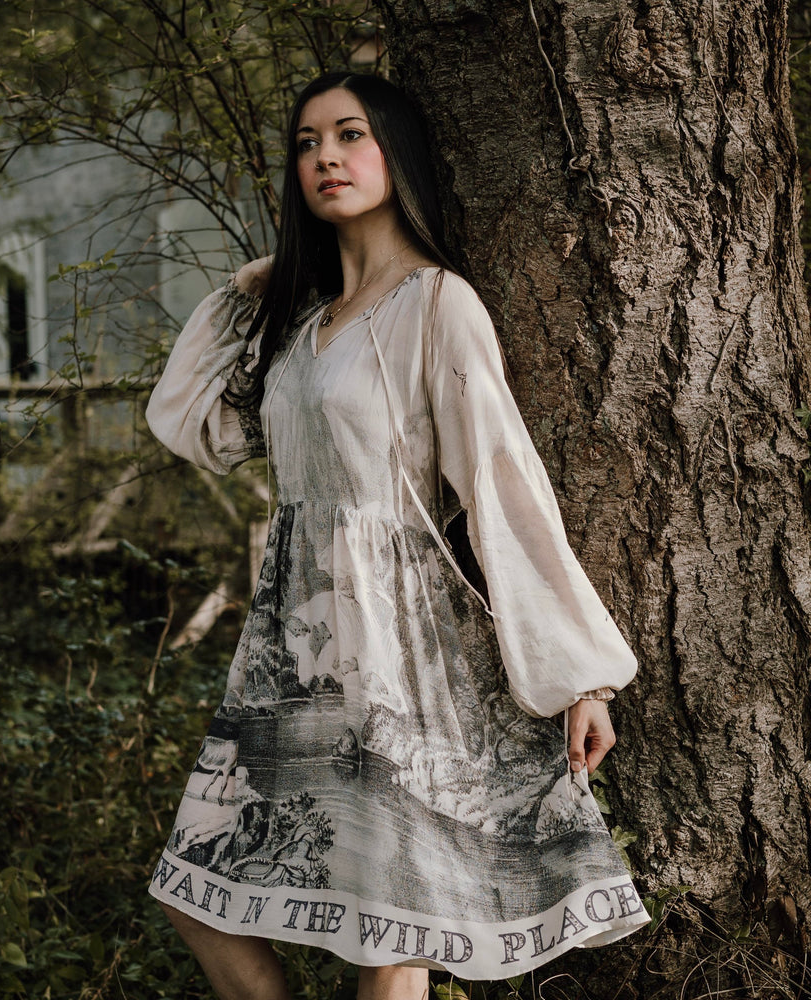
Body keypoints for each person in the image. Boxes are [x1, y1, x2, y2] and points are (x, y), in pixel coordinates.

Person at [145, 71, 648, 1000]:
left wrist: (582, 673)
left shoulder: (437, 306)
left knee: (387, 924)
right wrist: (258, 279)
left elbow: (504, 486)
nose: (326, 156)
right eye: (306, 143)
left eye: (349, 135)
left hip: (399, 651)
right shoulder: (299, 325)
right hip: (290, 652)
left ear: (395, 153)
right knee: (195, 892)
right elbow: (191, 424)